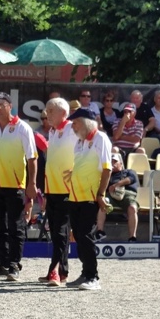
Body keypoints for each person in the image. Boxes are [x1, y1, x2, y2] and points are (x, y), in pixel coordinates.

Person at [0, 91, 38, 281]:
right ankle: (2, 263)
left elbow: (32, 158)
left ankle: (14, 264)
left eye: (1, 105)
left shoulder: (22, 128)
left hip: (15, 185)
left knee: (16, 225)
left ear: (10, 106)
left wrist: (32, 183)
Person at [64, 107, 112, 291]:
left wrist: (101, 194)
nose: (73, 127)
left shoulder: (101, 138)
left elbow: (107, 169)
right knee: (78, 236)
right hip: (75, 196)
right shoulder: (80, 142)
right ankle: (85, 273)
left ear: (85, 122)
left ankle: (93, 277)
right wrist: (73, 173)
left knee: (86, 235)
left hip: (90, 197)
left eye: (75, 123)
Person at [38, 97, 75, 286]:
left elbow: (83, 150)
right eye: (47, 110)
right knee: (55, 231)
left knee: (60, 231)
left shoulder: (72, 129)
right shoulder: (53, 132)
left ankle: (55, 271)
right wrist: (45, 192)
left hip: (66, 189)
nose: (47, 114)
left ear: (63, 112)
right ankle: (62, 271)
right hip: (52, 188)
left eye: (51, 110)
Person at [98, 153, 139, 241]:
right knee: (103, 202)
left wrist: (117, 184)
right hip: (111, 195)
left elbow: (131, 179)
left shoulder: (128, 171)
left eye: (115, 161)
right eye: (111, 162)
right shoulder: (107, 174)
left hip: (127, 194)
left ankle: (132, 237)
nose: (112, 163)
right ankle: (100, 231)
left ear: (121, 163)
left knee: (132, 207)